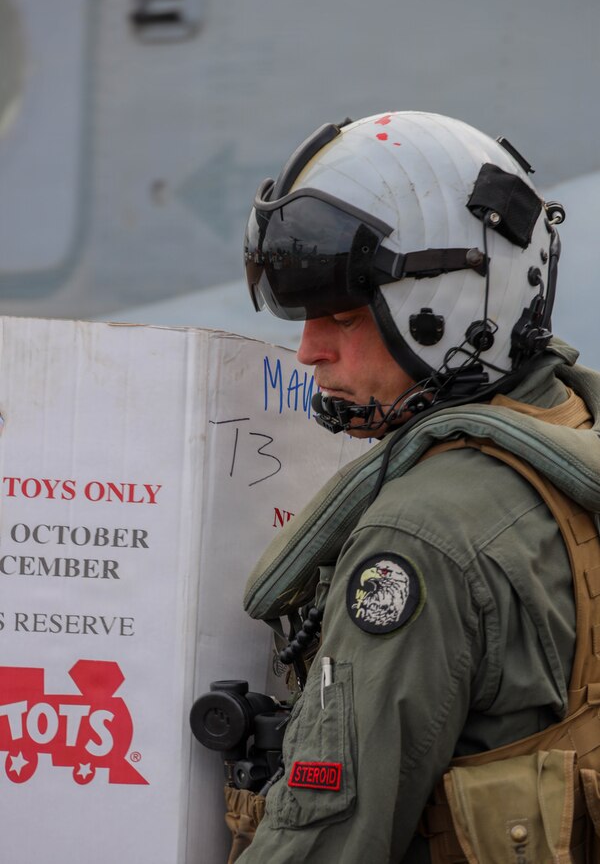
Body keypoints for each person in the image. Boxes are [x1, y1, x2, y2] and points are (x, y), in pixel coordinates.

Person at [234, 112, 600, 862]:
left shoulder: (418, 537)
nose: (308, 351)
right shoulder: (573, 425)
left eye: (341, 317)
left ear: (457, 312)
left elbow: (325, 838)